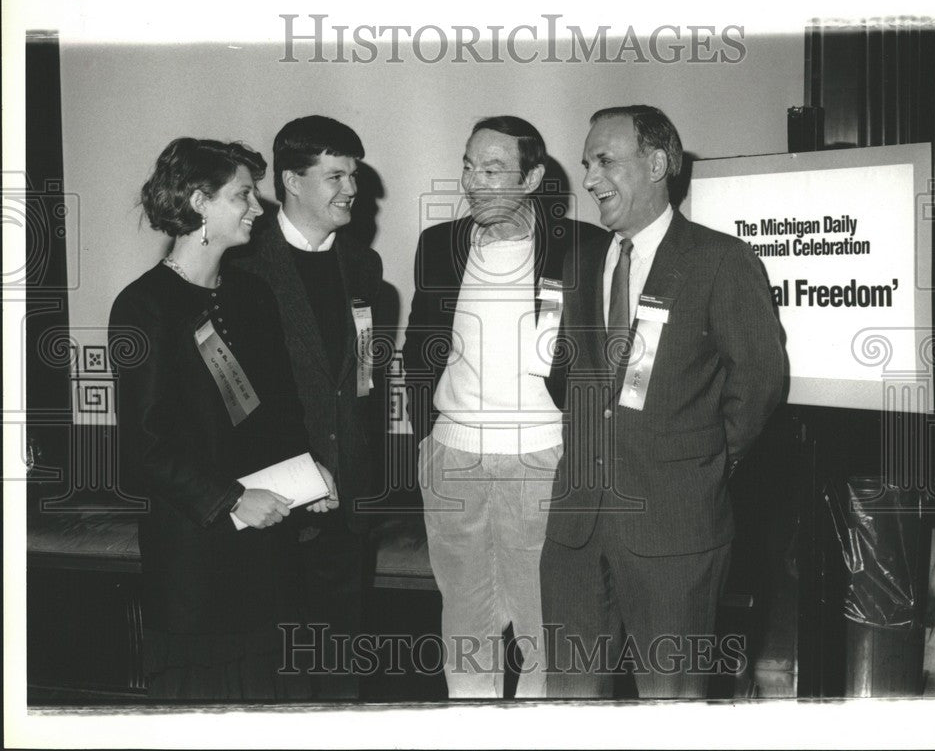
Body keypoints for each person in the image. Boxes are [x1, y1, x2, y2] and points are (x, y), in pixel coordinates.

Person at [540, 105, 786, 698]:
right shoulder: (579, 263)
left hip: (675, 530)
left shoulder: (720, 261)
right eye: (586, 165)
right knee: (570, 701)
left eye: (605, 162)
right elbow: (563, 375)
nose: (591, 179)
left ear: (656, 164)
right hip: (576, 528)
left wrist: (699, 466)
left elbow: (760, 383)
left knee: (670, 703)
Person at [109, 138, 336, 700]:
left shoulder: (253, 294)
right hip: (197, 555)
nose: (259, 208)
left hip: (269, 549)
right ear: (198, 202)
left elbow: (282, 414)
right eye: (243, 195)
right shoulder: (142, 307)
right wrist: (232, 499)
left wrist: (314, 475)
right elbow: (146, 450)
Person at [403, 115, 601, 698]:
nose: (474, 182)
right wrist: (426, 438)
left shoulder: (583, 247)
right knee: (465, 626)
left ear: (533, 176)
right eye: (468, 166)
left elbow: (599, 361)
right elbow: (420, 347)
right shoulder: (439, 245)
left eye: (492, 169)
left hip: (542, 460)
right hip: (454, 463)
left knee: (546, 630)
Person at [228, 115, 383, 700]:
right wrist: (300, 473)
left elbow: (360, 380)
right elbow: (238, 400)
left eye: (354, 175)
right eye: (335, 175)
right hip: (273, 506)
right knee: (275, 675)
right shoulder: (242, 264)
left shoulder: (363, 266)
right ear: (291, 181)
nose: (351, 189)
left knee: (340, 673)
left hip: (348, 506)